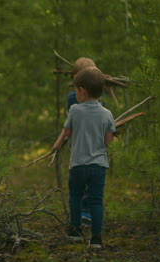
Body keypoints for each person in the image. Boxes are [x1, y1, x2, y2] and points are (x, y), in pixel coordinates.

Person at [52, 66, 116, 249]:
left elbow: (67, 132)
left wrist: (57, 144)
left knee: (75, 196)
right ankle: (96, 238)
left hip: (78, 164)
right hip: (98, 165)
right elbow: (108, 141)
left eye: (75, 89)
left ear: (82, 90)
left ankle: (76, 231)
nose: (75, 93)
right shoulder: (107, 113)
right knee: (96, 200)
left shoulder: (74, 110)